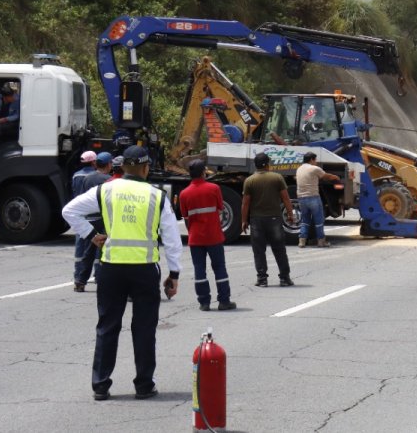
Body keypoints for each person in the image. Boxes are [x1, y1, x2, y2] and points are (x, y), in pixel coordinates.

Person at [61, 145, 181, 401]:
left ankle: (101, 385)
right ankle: (144, 385)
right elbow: (172, 239)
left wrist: (91, 235)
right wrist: (175, 274)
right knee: (144, 329)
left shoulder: (106, 190)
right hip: (144, 270)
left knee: (107, 327)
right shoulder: (156, 196)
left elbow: (69, 211)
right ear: (146, 168)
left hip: (111, 268)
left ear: (123, 167)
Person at [179, 160, 236, 311]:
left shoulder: (184, 194)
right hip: (214, 236)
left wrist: (192, 231)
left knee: (199, 269)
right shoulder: (214, 188)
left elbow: (186, 218)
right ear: (204, 172)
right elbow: (220, 207)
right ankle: (224, 301)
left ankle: (204, 302)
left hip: (195, 238)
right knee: (219, 267)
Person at [241, 152, 295, 287]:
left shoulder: (250, 180)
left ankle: (262, 279)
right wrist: (290, 214)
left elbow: (245, 203)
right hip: (274, 219)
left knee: (259, 250)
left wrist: (243, 220)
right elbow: (285, 198)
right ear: (268, 164)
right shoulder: (277, 178)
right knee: (279, 249)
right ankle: (284, 278)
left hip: (256, 220)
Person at [73, 152, 115, 292]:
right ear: (109, 164)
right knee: (105, 252)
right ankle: (102, 279)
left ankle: (80, 281)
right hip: (102, 219)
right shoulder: (109, 180)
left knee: (88, 252)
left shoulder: (87, 179)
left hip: (89, 219)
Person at [295, 152, 339, 248]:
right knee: (319, 220)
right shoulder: (314, 168)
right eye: (315, 160)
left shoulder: (299, 168)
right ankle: (321, 241)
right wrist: (336, 177)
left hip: (301, 198)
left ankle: (302, 241)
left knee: (305, 220)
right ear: (311, 159)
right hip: (313, 197)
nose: (316, 162)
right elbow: (327, 176)